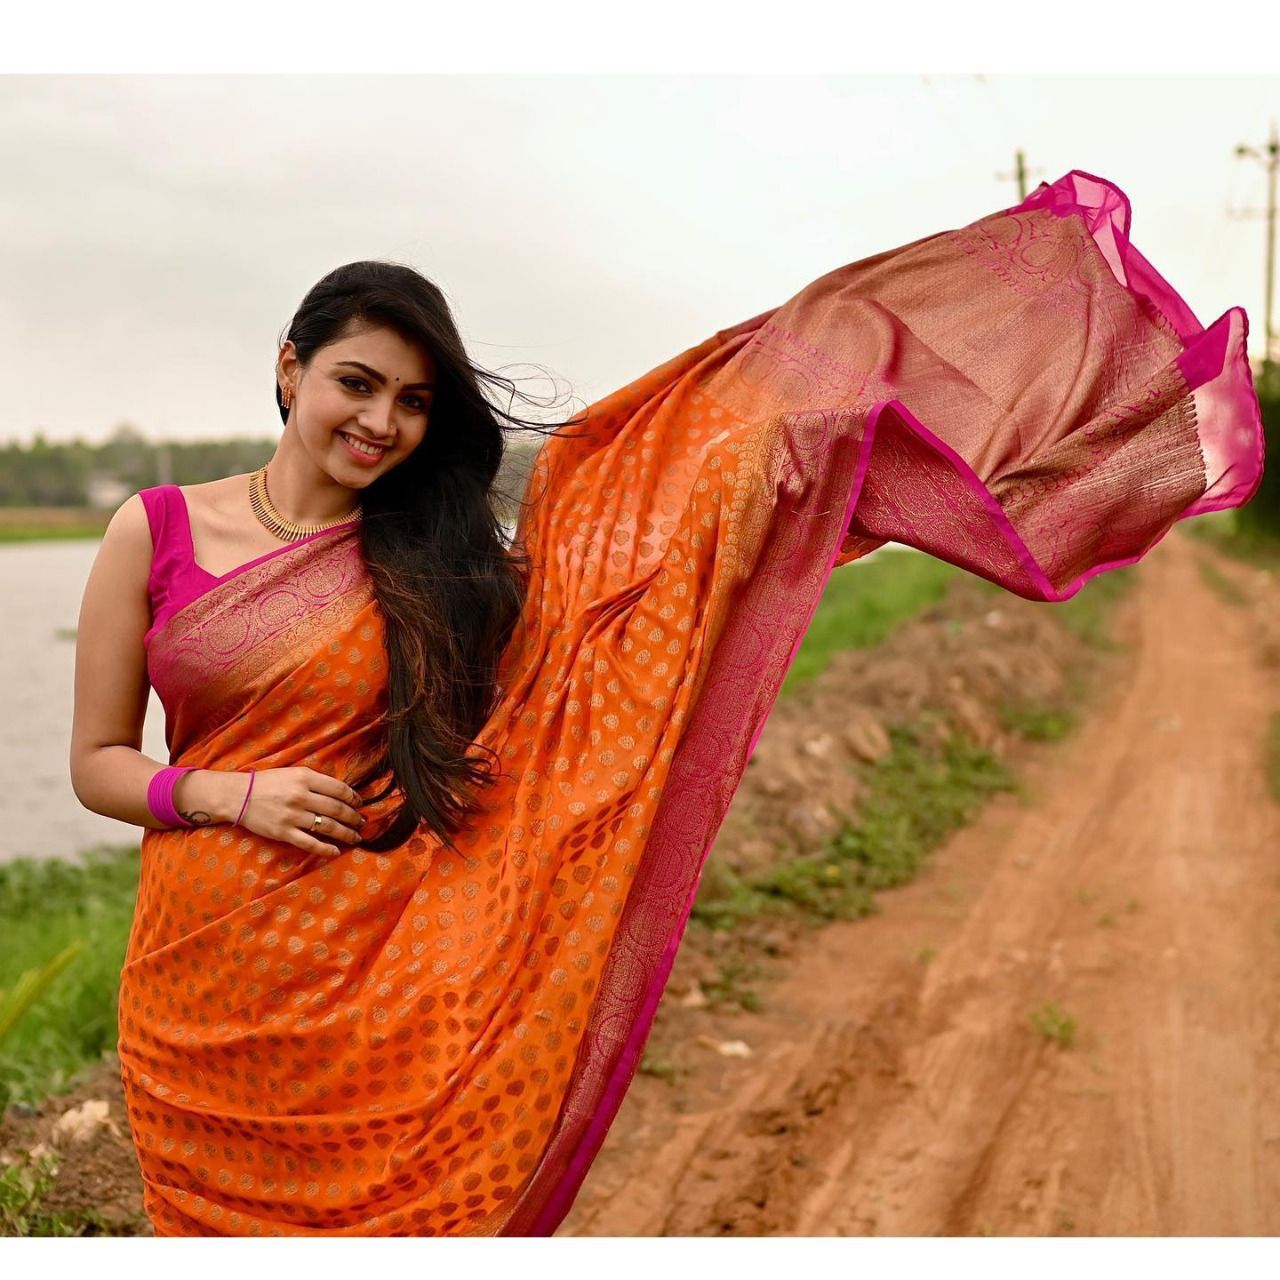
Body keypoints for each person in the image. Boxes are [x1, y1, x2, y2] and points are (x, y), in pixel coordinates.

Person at [69, 170, 1264, 1237]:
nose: (380, 421)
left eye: (414, 401)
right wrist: (229, 790)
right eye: (356, 383)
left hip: (372, 969)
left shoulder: (440, 560)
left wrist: (758, 473)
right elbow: (99, 763)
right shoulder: (155, 529)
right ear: (291, 367)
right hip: (197, 979)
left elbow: (593, 631)